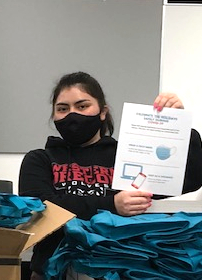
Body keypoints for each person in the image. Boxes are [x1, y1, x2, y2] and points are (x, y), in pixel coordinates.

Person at [18, 71, 202, 279]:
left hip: (120, 268)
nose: (72, 115)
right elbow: (40, 212)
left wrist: (179, 125)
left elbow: (190, 179)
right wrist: (112, 205)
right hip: (53, 269)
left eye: (82, 106)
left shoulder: (130, 156)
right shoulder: (39, 160)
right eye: (62, 109)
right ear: (54, 115)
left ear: (102, 112)